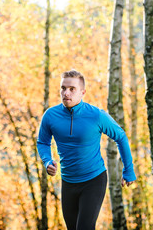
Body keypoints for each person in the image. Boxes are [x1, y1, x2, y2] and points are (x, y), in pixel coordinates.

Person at [37, 70, 136, 230]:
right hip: (68, 182)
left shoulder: (96, 116)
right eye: (63, 88)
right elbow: (42, 142)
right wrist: (47, 160)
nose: (66, 93)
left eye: (72, 89)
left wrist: (129, 171)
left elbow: (121, 136)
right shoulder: (50, 116)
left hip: (94, 180)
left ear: (82, 92)